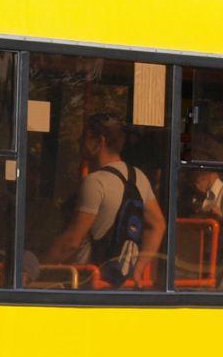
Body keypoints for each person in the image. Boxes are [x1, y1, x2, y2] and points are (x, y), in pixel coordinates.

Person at [41, 112, 167, 286]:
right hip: (117, 283)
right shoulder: (138, 177)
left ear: (99, 142)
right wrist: (138, 269)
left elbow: (71, 242)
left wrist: (39, 266)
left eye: (84, 137)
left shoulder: (95, 182)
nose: (78, 141)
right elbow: (158, 224)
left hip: (86, 282)